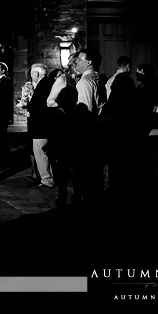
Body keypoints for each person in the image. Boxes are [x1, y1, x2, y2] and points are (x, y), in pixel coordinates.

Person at [72, 48, 107, 212]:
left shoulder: (85, 82)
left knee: (86, 173)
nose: (76, 62)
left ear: (89, 61)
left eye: (79, 59)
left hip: (88, 135)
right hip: (99, 131)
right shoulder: (99, 78)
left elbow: (85, 112)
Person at [46, 53, 80, 207]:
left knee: (77, 164)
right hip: (66, 125)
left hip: (79, 126)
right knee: (63, 164)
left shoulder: (82, 79)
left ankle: (77, 194)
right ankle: (63, 196)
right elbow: (49, 102)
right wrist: (65, 109)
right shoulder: (64, 79)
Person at [21, 63, 55, 187]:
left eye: (32, 74)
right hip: (45, 124)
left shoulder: (43, 85)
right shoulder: (48, 82)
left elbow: (38, 106)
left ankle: (47, 180)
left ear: (36, 73)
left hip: (41, 125)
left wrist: (27, 105)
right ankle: (49, 178)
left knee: (40, 153)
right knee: (44, 153)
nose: (31, 76)